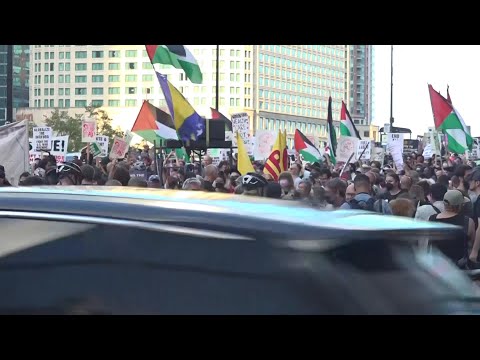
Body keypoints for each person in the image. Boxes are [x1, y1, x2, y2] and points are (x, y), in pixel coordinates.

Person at [428, 189, 475, 267]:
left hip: (437, 267)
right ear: (460, 205)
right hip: (459, 269)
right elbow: (471, 245)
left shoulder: (432, 219)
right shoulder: (467, 222)